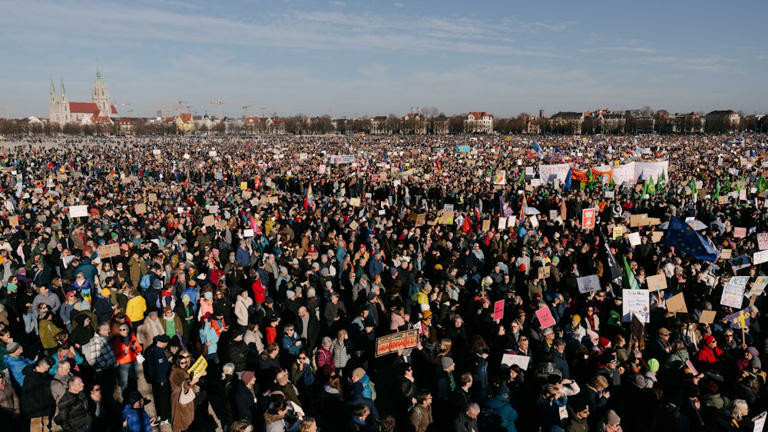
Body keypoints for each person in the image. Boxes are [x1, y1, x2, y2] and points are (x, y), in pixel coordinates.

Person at [170, 350, 205, 432]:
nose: (184, 364)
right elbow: (183, 383)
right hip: (178, 400)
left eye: (185, 362)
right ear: (177, 363)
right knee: (180, 420)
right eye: (182, 363)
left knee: (188, 419)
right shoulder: (175, 373)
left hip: (186, 398)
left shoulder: (185, 370)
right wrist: (192, 382)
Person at [144, 334, 172, 424]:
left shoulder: (150, 350)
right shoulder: (159, 352)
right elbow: (161, 368)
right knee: (163, 399)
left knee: (157, 399)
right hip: (161, 380)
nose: (166, 344)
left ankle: (160, 415)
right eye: (166, 343)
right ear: (162, 343)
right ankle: (164, 419)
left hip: (154, 379)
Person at [22, 357, 55, 432]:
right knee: (37, 428)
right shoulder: (30, 379)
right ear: (41, 366)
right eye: (47, 368)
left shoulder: (42, 374)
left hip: (45, 407)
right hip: (35, 410)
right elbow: (28, 398)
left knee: (46, 426)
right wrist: (41, 407)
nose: (47, 370)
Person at [113, 323, 141, 397]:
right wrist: (124, 352)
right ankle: (125, 399)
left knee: (134, 381)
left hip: (133, 361)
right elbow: (116, 354)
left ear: (127, 330)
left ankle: (135, 398)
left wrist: (135, 348)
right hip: (123, 364)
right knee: (124, 382)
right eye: (120, 330)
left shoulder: (132, 337)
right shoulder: (117, 341)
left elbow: (139, 348)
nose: (121, 331)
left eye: (123, 329)